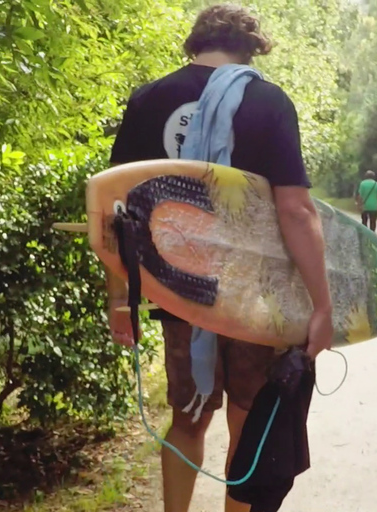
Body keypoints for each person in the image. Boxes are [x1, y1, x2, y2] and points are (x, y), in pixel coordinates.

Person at [105, 5, 334, 512]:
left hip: (179, 289)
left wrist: (120, 297)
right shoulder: (268, 101)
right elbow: (295, 211)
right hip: (257, 294)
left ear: (194, 42)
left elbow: (114, 210)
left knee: (188, 416)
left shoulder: (148, 100)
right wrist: (322, 305)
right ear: (251, 47)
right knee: (249, 417)